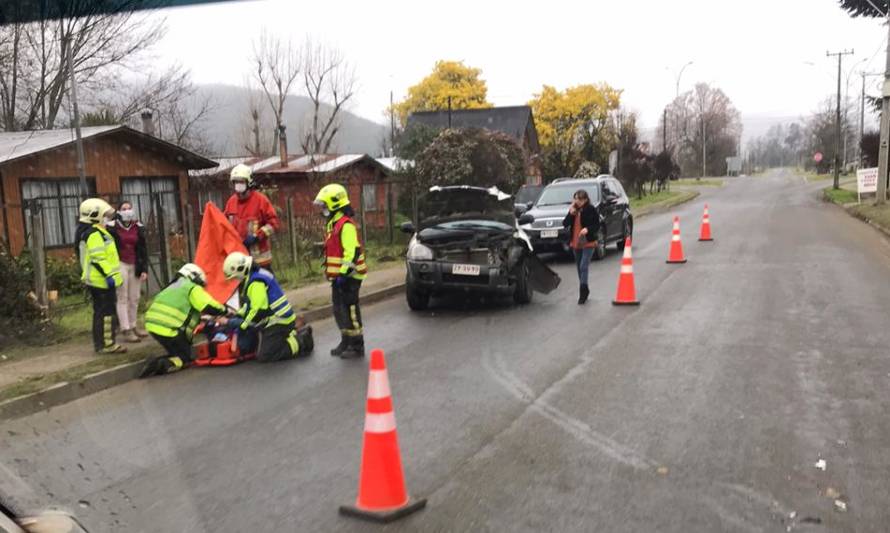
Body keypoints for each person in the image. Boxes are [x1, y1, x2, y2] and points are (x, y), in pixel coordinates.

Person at [221, 251, 312, 362]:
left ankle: (301, 340)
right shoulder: (255, 275)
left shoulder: (255, 283)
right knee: (259, 348)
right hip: (277, 318)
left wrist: (241, 325)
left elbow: (258, 309)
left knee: (266, 355)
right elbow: (250, 306)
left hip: (279, 321)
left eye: (235, 277)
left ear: (240, 271)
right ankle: (290, 334)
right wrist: (237, 314)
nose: (235, 280)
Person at [140, 263, 228, 377]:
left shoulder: (172, 287)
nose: (201, 286)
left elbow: (183, 310)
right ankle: (159, 364)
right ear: (194, 277)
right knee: (185, 359)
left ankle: (153, 362)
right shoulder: (192, 287)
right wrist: (224, 310)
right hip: (169, 328)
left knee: (175, 353)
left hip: (153, 325)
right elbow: (208, 305)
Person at [313, 183, 367, 359]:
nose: (322, 209)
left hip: (350, 276)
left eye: (324, 205)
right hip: (339, 277)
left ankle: (357, 344)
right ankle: (346, 340)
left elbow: (352, 252)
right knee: (338, 309)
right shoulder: (333, 223)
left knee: (350, 308)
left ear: (334, 204)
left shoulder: (346, 225)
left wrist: (343, 274)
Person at [75, 198, 126, 354]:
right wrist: (109, 276)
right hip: (101, 280)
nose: (107, 217)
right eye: (104, 214)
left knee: (101, 312)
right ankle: (107, 344)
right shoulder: (93, 234)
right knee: (106, 313)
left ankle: (102, 344)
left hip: (99, 280)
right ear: (94, 215)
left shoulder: (95, 231)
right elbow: (98, 258)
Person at [224, 164, 280, 271]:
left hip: (260, 260)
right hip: (239, 260)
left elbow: (273, 223)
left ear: (249, 182)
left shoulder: (260, 200)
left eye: (241, 182)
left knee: (265, 286)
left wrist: (257, 236)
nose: (238, 185)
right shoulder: (231, 202)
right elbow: (224, 225)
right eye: (235, 182)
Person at [109, 201, 148, 343]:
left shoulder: (138, 226)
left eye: (129, 208)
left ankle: (133, 325)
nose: (127, 211)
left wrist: (144, 268)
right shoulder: (112, 227)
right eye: (123, 209)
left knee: (135, 297)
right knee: (122, 296)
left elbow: (143, 249)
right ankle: (126, 329)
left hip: (135, 264)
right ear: (119, 211)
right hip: (120, 263)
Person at [562, 189, 600, 305]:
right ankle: (585, 287)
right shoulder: (574, 210)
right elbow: (565, 224)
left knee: (584, 266)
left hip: (588, 242)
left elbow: (596, 224)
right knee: (579, 267)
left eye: (579, 199)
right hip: (576, 243)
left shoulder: (590, 209)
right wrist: (570, 213)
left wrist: (587, 229)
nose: (576, 201)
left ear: (585, 199)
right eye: (575, 198)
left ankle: (582, 292)